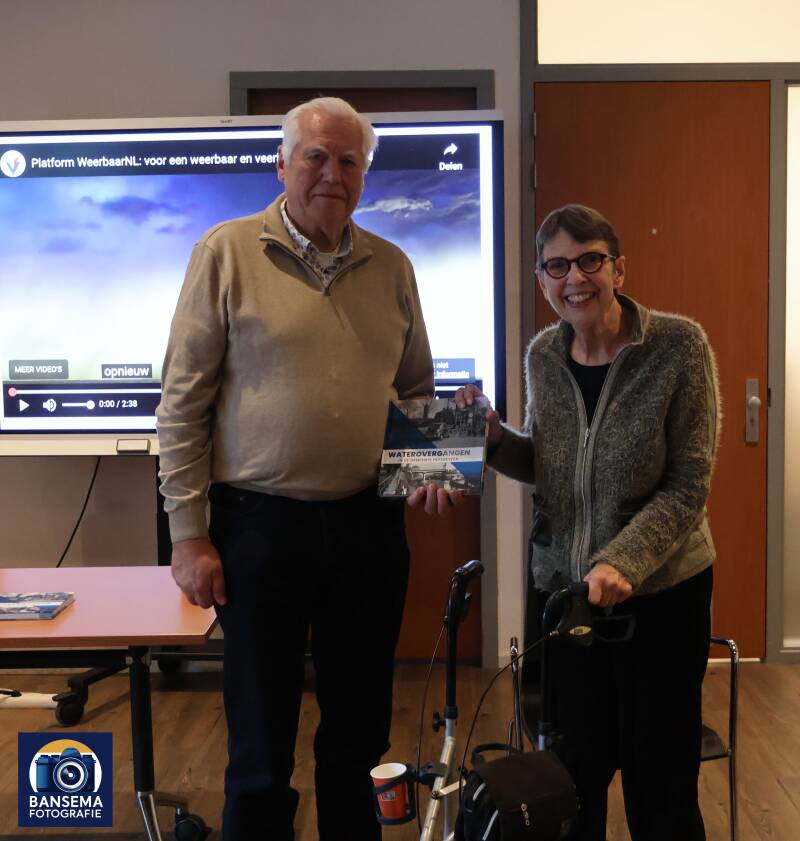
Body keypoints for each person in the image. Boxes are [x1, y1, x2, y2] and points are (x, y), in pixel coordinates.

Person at [156, 97, 433, 841]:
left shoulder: (393, 265)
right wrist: (188, 536)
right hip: (257, 527)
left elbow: (415, 391)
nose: (331, 173)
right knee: (257, 742)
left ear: (365, 177)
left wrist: (431, 466)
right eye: (315, 156)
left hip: (368, 525)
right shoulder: (226, 252)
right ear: (282, 164)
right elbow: (182, 403)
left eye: (349, 161)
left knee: (359, 734)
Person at [453, 204, 720, 841]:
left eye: (589, 259)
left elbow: (688, 486)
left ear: (618, 269)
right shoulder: (545, 353)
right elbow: (550, 465)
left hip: (661, 600)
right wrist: (492, 441)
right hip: (568, 603)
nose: (575, 277)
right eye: (557, 266)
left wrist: (621, 561)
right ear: (544, 282)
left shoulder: (678, 347)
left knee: (662, 780)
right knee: (572, 779)